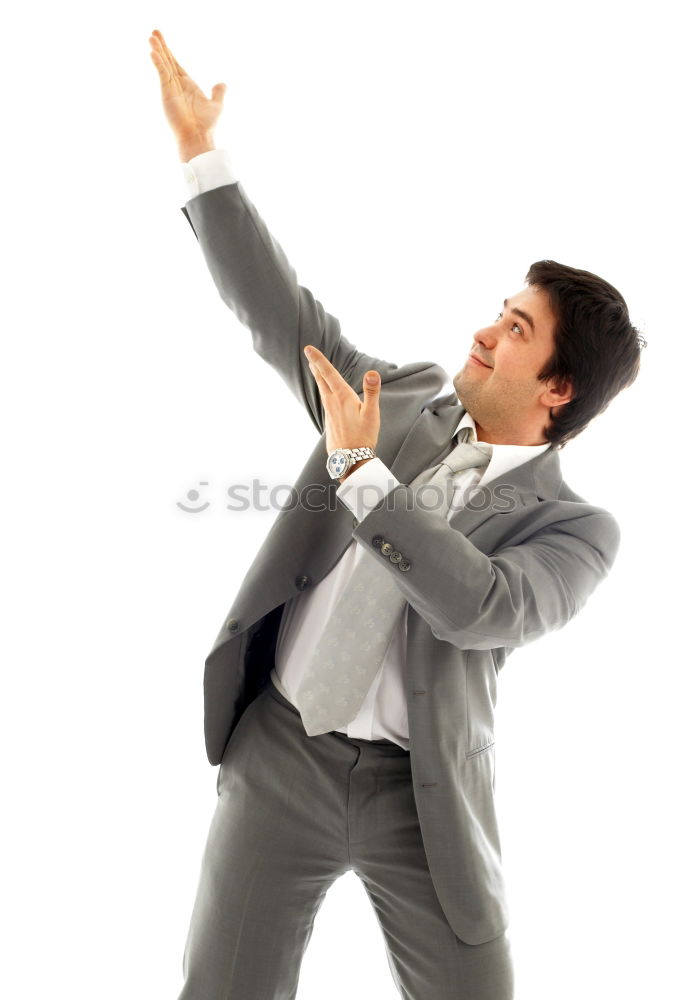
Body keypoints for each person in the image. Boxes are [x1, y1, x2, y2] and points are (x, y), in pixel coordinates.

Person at [149, 28, 644, 1000]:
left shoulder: (578, 531)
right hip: (280, 751)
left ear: (559, 390)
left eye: (516, 329)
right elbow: (291, 323)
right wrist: (203, 158)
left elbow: (480, 604)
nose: (484, 329)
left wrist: (358, 468)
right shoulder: (409, 396)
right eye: (499, 308)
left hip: (419, 804)